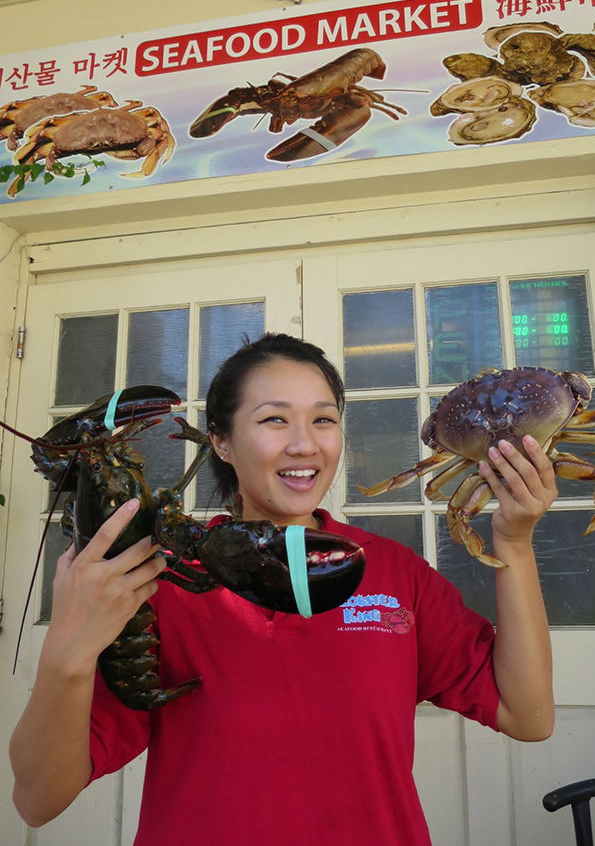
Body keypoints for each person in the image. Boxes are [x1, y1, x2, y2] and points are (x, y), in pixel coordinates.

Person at [10, 333, 556, 846]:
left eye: (324, 419)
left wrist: (514, 543)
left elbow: (526, 716)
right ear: (220, 442)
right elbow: (38, 800)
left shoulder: (394, 573)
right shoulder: (153, 580)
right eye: (274, 419)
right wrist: (68, 647)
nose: (304, 445)